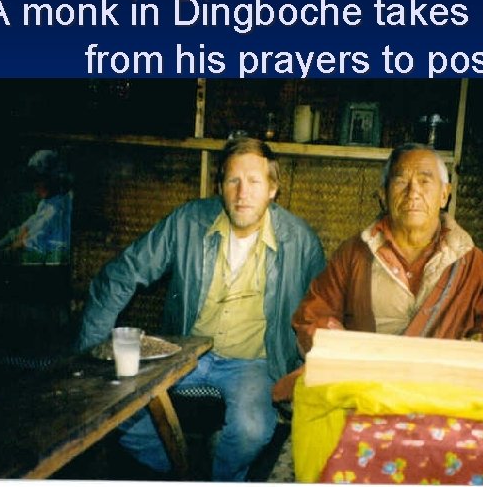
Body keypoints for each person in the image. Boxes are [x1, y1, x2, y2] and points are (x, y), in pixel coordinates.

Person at [75, 137, 326, 480]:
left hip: (253, 363)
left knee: (252, 430)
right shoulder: (187, 222)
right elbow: (120, 275)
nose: (242, 193)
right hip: (185, 353)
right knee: (116, 407)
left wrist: (301, 373)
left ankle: (219, 476)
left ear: (272, 189)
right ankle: (179, 468)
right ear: (220, 185)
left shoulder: (301, 240)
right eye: (233, 181)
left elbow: (319, 313)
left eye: (254, 182)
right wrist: (89, 352)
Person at [291, 142, 483, 359]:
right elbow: (313, 318)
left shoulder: (472, 264)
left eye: (425, 181)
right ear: (384, 195)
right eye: (401, 181)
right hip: (368, 387)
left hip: (442, 391)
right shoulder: (354, 255)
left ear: (444, 195)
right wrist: (346, 350)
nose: (413, 192)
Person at [0, 149, 73, 264]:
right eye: (34, 181)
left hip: (48, 258)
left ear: (52, 179)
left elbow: (33, 241)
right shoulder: (48, 201)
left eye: (39, 180)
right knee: (9, 237)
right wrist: (23, 231)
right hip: (34, 245)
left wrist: (12, 247)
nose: (35, 186)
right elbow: (32, 221)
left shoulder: (58, 209)